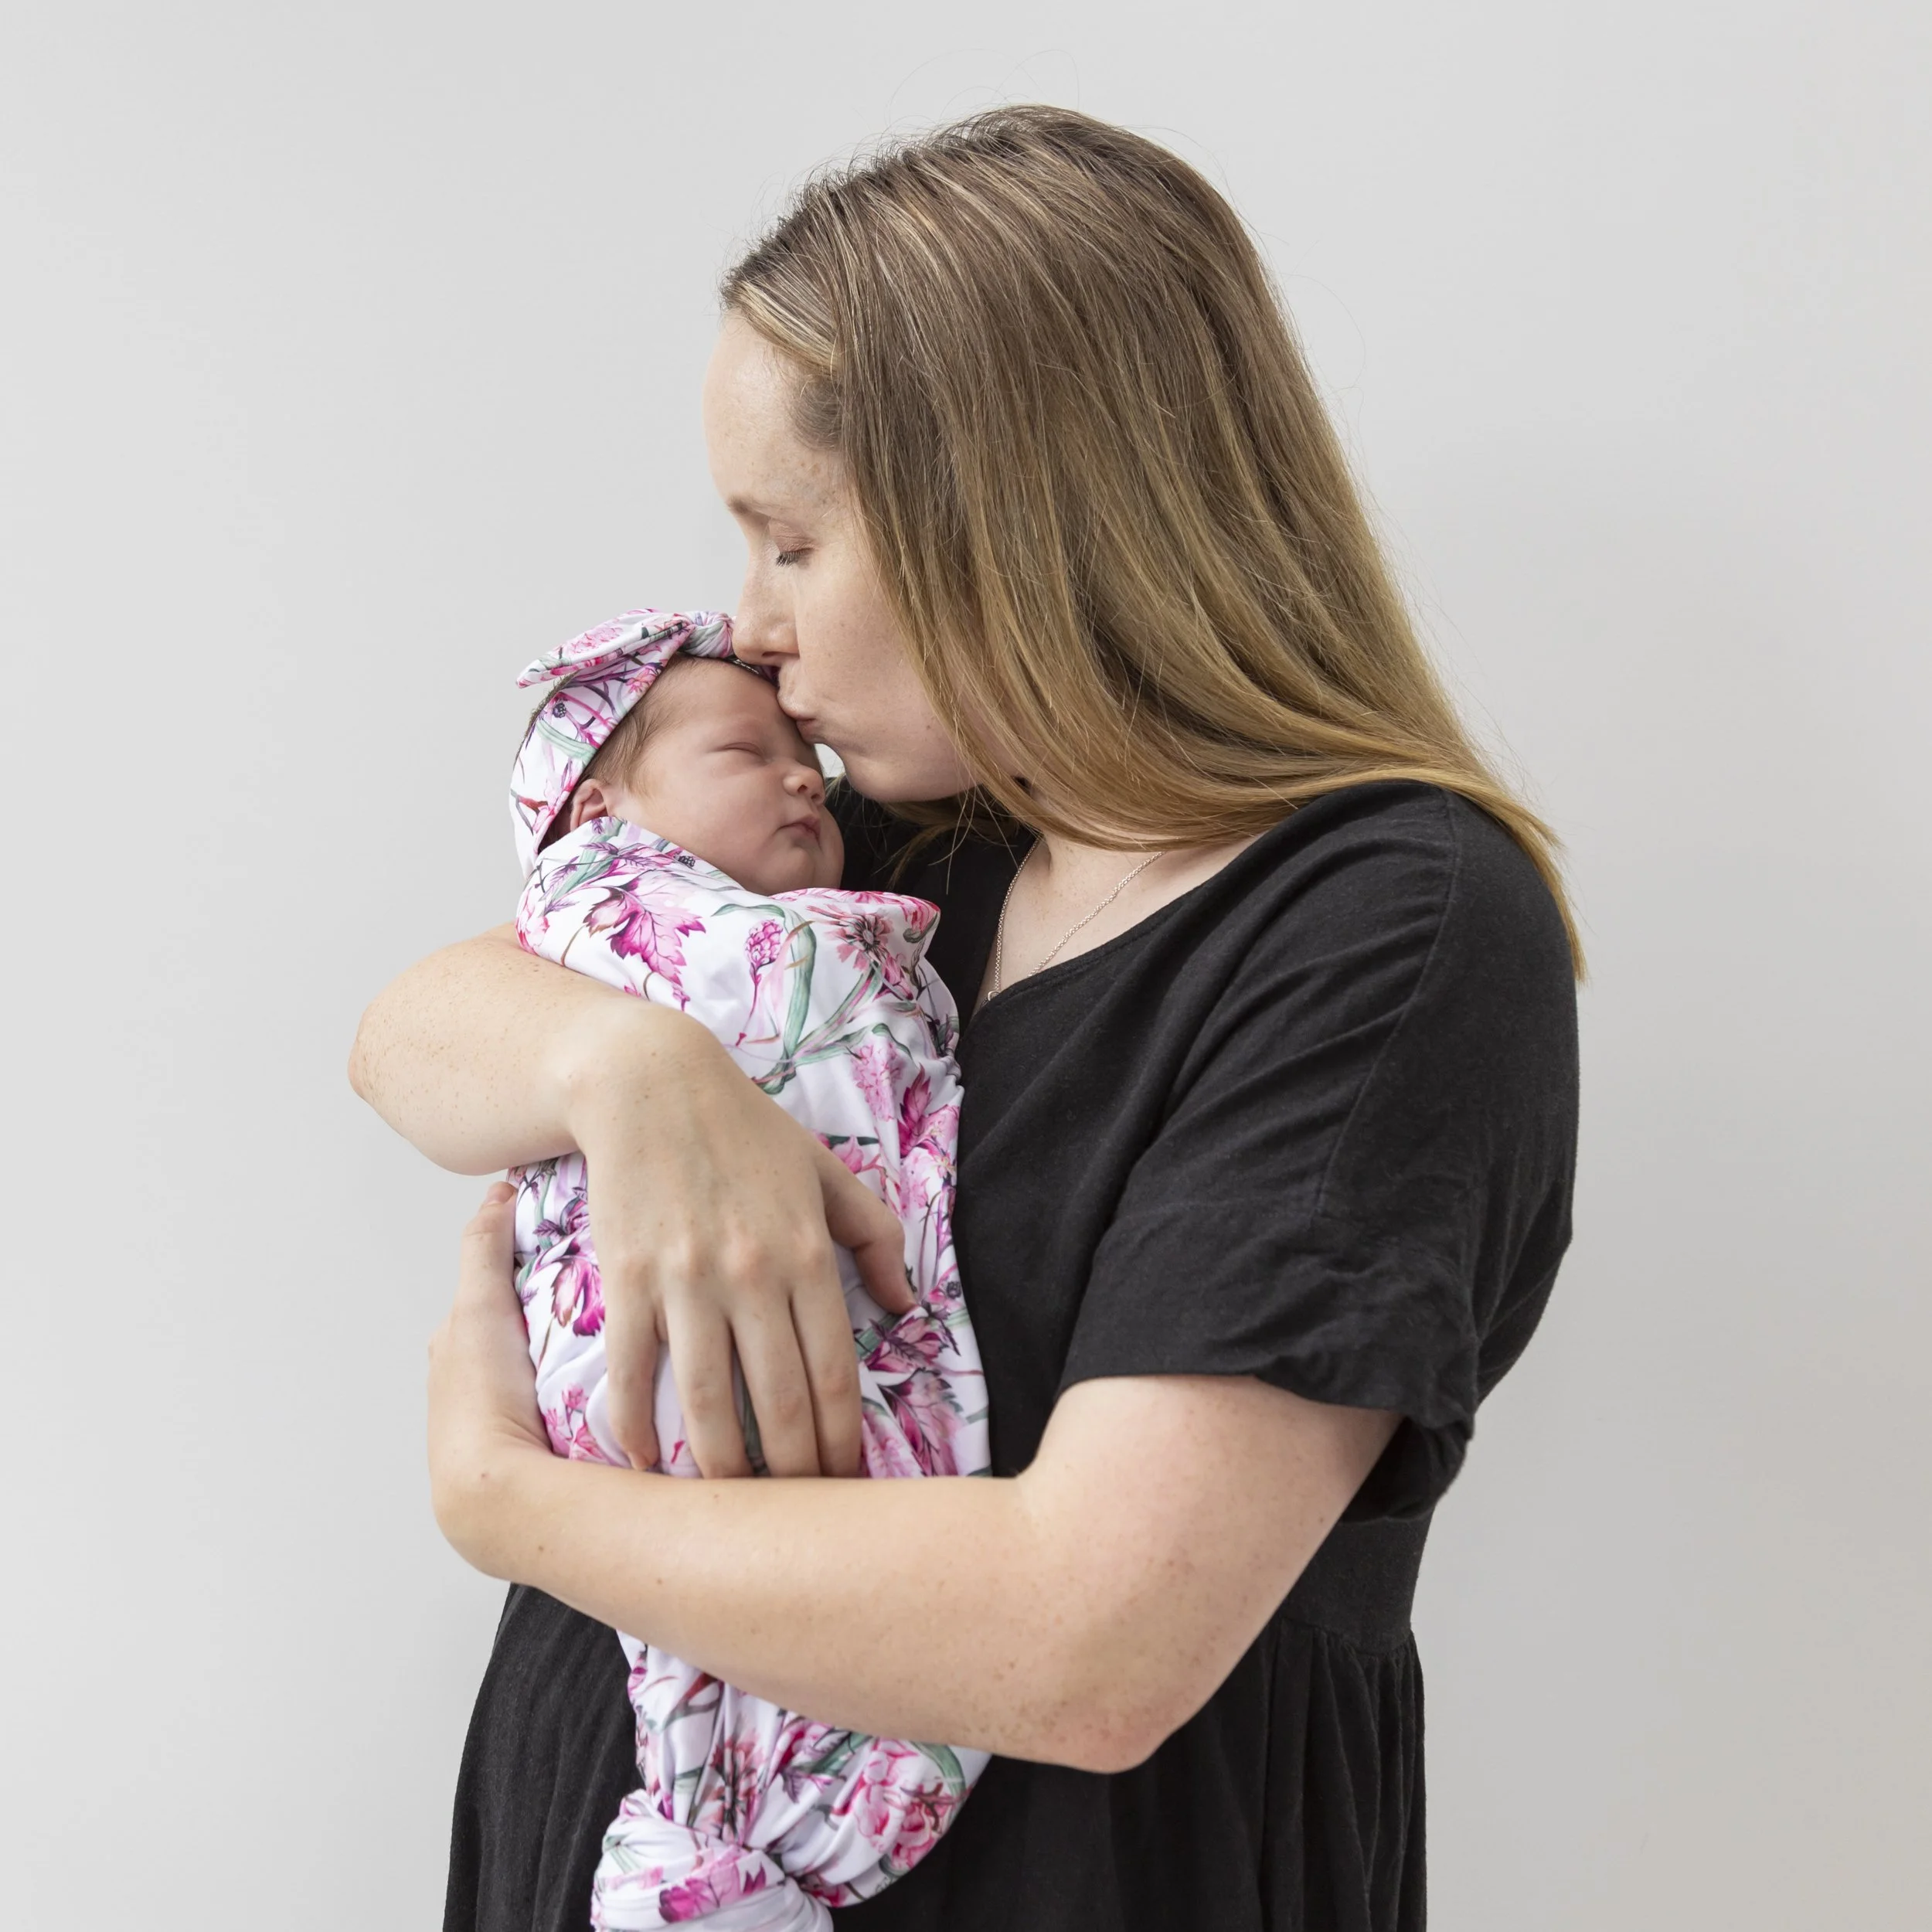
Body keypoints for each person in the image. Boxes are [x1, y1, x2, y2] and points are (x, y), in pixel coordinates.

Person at [350, 105, 1581, 1932]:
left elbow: (1089, 1641)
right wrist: (625, 1066)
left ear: (1011, 521)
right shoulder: (905, 840)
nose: (748, 630)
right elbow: (416, 1026)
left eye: (788, 542)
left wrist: (502, 1504)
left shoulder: (1387, 926)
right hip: (618, 1835)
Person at [504, 606, 990, 1930]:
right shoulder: (611, 922)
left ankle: (730, 1840)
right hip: (646, 1427)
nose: (799, 776)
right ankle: (720, 1838)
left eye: (804, 763)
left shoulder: (901, 850)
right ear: (604, 812)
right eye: (744, 751)